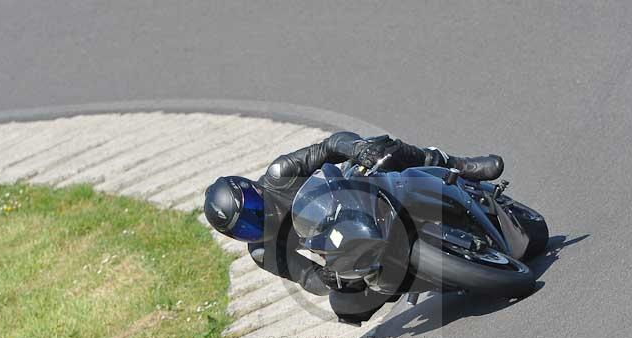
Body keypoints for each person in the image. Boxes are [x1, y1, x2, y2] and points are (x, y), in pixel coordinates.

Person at [204, 132, 504, 324]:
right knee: (345, 308)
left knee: (383, 148)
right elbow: (305, 276)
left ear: (254, 191)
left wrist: (359, 150)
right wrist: (328, 279)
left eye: (252, 214)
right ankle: (421, 275)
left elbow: (329, 146)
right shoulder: (261, 251)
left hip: (361, 193)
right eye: (243, 229)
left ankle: (457, 164)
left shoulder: (280, 173)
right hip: (348, 249)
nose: (253, 225)